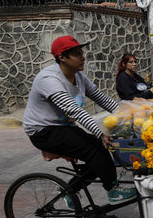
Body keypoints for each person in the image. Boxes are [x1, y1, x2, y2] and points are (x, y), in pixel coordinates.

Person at [23, 35, 137, 204]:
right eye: (77, 54)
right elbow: (74, 110)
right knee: (97, 146)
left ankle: (69, 190)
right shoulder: (49, 79)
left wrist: (133, 114)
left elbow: (103, 100)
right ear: (62, 57)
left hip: (64, 128)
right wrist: (100, 133)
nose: (83, 57)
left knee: (98, 155)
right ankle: (113, 190)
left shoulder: (79, 76)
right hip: (43, 131)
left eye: (82, 53)